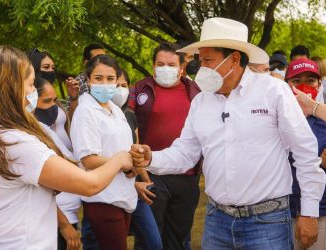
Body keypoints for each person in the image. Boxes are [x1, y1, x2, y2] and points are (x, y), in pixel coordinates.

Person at [130, 17, 326, 249]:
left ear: (234, 59)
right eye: (201, 61)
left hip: (268, 224)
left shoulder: (273, 92)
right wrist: (152, 157)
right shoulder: (201, 101)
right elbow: (186, 153)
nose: (201, 68)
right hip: (217, 222)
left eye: (208, 60)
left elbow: (304, 152)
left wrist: (310, 213)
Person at [0, 46, 134, 249]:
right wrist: (122, 158)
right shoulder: (16, 143)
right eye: (30, 85)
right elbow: (90, 184)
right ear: (10, 88)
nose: (31, 93)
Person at [129, 42, 201, 250]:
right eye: (160, 64)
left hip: (187, 176)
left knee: (178, 239)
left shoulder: (195, 90)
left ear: (181, 68)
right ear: (153, 66)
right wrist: (140, 173)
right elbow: (124, 121)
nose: (165, 68)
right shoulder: (141, 88)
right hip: (151, 174)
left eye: (171, 64)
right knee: (149, 240)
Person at [70, 54, 138, 250]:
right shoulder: (85, 112)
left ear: (117, 80)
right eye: (98, 78)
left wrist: (132, 164)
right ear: (89, 80)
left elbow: (123, 150)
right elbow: (88, 160)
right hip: (103, 198)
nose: (104, 83)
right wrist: (123, 164)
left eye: (110, 78)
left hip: (123, 194)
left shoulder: (115, 109)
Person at [33, 76, 82, 250]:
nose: (53, 106)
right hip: (54, 217)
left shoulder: (45, 129)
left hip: (67, 213)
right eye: (46, 101)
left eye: (55, 101)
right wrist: (64, 224)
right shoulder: (34, 133)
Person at [115, 69, 162, 250]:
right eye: (115, 85)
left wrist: (147, 180)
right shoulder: (95, 117)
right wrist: (135, 185)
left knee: (153, 242)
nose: (120, 89)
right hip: (110, 191)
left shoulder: (129, 116)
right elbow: (92, 163)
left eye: (124, 85)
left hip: (135, 188)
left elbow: (137, 152)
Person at [285, 58, 326, 249]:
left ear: (319, 83)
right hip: (281, 212)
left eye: (310, 80)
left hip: (321, 212)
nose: (303, 86)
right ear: (286, 84)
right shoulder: (275, 118)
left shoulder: (323, 118)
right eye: (296, 81)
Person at [67, 44, 106, 118]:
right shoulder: (78, 82)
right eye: (98, 58)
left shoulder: (109, 81)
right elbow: (71, 117)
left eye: (105, 58)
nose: (103, 61)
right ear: (86, 62)